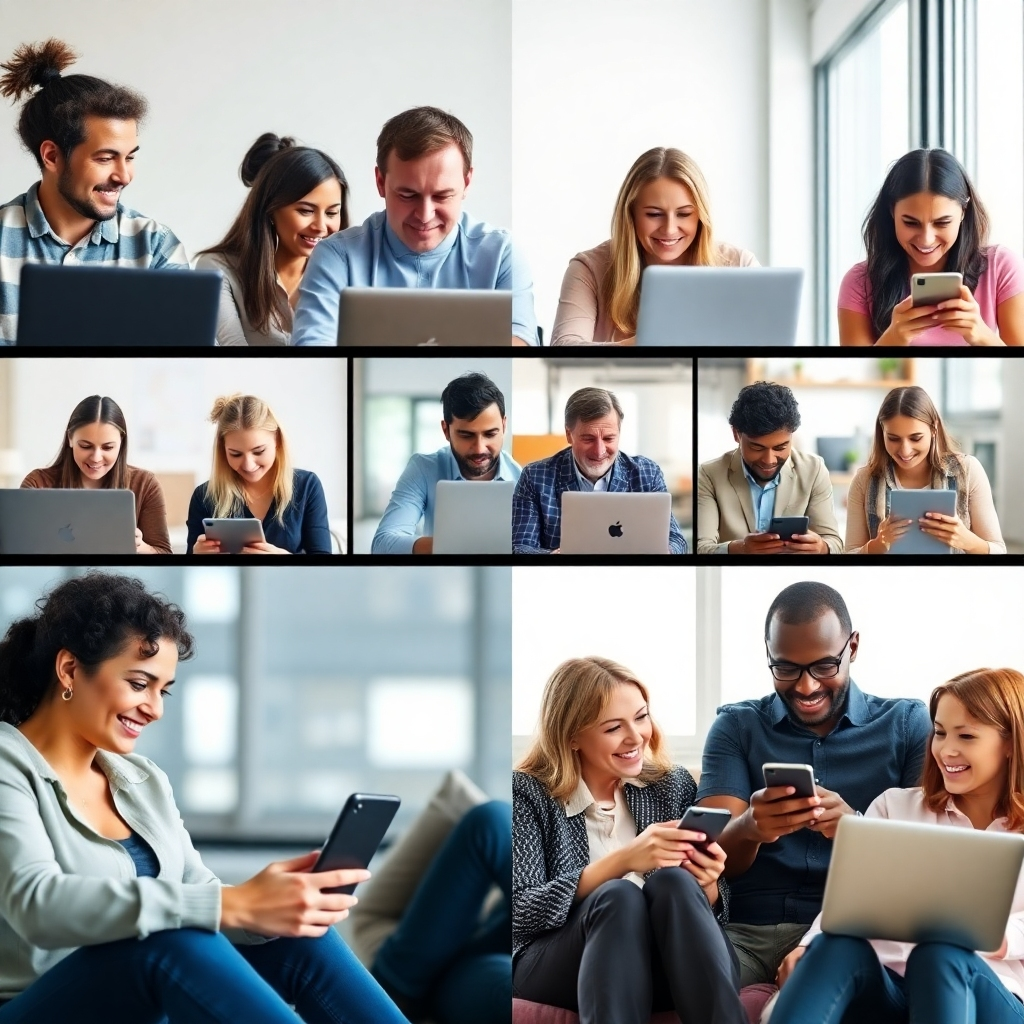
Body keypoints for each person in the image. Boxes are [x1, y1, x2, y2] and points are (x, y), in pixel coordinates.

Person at [0, 572, 410, 1023]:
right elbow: (36, 903)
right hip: (37, 1006)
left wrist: (269, 904)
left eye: (163, 691)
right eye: (139, 684)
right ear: (70, 669)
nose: (154, 709)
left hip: (136, 998)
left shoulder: (142, 779)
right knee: (169, 938)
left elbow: (198, 891)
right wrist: (233, 904)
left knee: (298, 937)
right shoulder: (8, 764)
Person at [695, 582, 932, 988]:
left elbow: (925, 866)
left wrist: (858, 829)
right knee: (689, 982)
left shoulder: (908, 725)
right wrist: (750, 827)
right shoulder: (736, 727)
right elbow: (711, 860)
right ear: (768, 654)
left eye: (824, 666)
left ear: (852, 648)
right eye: (786, 668)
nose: (806, 687)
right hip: (747, 935)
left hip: (855, 932)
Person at [771, 667, 1024, 1023]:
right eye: (939, 733)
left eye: (966, 736)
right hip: (890, 985)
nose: (946, 750)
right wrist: (806, 946)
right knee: (833, 945)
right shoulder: (895, 806)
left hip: (987, 990)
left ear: (1011, 742)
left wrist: (1000, 936)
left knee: (939, 954)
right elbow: (852, 897)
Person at [513, 656, 746, 1024]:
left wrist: (710, 884)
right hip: (562, 961)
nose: (637, 736)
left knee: (674, 881)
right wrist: (623, 861)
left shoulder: (671, 785)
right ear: (572, 736)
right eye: (613, 728)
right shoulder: (528, 793)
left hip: (668, 963)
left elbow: (716, 911)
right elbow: (519, 911)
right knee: (618, 895)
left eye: (641, 717)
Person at [291, 106, 537, 346]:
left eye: (442, 196)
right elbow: (311, 345)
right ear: (380, 181)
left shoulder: (502, 253)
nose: (425, 215)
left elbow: (522, 341)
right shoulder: (336, 256)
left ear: (467, 182)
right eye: (408, 196)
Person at [0, 40, 188, 344]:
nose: (123, 176)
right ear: (52, 156)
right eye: (104, 158)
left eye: (129, 157)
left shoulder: (156, 248)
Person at [551, 147, 758, 345]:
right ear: (630, 214)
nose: (669, 229)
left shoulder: (740, 265)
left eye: (684, 214)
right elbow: (564, 345)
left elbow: (770, 352)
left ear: (701, 216)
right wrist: (640, 346)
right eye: (654, 214)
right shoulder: (588, 269)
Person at [838, 148, 1024, 347]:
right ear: (892, 211)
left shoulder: (1001, 267)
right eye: (910, 223)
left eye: (942, 223)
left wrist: (980, 335)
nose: (926, 240)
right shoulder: (859, 283)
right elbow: (859, 377)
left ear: (963, 212)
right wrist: (893, 339)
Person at [196, 133, 348, 346]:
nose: (321, 227)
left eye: (332, 213)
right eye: (306, 211)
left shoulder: (345, 275)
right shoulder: (218, 269)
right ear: (270, 209)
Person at [511, 387, 686, 554]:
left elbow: (677, 540)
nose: (599, 451)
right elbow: (519, 547)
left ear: (619, 433)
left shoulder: (647, 473)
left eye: (609, 438)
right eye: (588, 439)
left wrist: (667, 552)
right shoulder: (534, 477)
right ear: (568, 434)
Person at [371, 373, 521, 555]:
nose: (480, 448)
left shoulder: (522, 478)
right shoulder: (423, 469)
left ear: (504, 426)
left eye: (490, 434)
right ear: (446, 430)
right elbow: (383, 544)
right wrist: (455, 546)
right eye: (466, 435)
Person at [846, 385, 1005, 554]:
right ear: (882, 432)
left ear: (934, 429)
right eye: (893, 439)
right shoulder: (864, 480)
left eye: (916, 438)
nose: (905, 450)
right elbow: (849, 553)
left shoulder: (967, 471)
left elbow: (999, 550)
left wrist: (966, 540)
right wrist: (879, 544)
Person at [696, 381, 843, 555]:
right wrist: (740, 548)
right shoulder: (709, 474)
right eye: (757, 448)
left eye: (780, 447)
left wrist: (822, 547)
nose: (769, 460)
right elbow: (701, 548)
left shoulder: (814, 469)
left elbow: (834, 543)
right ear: (736, 434)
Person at [20, 395, 170, 554]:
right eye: (85, 446)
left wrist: (142, 547)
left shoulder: (145, 485)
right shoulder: (37, 484)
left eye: (107, 448)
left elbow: (165, 553)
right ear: (70, 438)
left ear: (121, 442)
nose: (96, 458)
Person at [186, 394, 331, 555]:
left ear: (278, 441)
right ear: (223, 451)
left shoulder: (307, 486)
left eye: (259, 451)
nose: (248, 465)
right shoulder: (204, 496)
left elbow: (323, 560)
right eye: (235, 454)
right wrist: (197, 555)